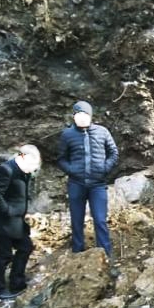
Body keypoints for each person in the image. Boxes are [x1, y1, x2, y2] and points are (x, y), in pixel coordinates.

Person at [57, 101, 119, 256]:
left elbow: (113, 153)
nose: (81, 117)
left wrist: (105, 168)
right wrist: (72, 170)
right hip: (76, 184)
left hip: (98, 185)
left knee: (100, 220)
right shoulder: (67, 134)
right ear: (73, 117)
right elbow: (61, 159)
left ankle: (105, 254)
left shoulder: (102, 132)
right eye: (78, 114)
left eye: (85, 114)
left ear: (90, 116)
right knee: (76, 221)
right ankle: (77, 253)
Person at [0, 144, 41, 301]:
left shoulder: (23, 172)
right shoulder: (6, 170)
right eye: (33, 164)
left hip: (16, 222)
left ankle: (17, 282)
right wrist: (7, 211)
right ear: (23, 157)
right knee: (3, 256)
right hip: (2, 222)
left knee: (26, 247)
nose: (34, 168)